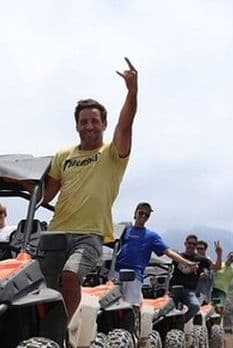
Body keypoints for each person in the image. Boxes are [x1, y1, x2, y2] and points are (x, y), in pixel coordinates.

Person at [39, 57, 139, 320]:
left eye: (95, 121)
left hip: (90, 235)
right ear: (77, 125)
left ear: (104, 125)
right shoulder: (63, 155)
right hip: (55, 233)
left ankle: (63, 330)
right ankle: (46, 335)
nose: (89, 126)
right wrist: (18, 183)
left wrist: (132, 91)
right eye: (84, 122)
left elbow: (125, 124)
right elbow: (46, 194)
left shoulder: (113, 153)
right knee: (41, 288)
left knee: (71, 275)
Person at [114, 202, 197, 305]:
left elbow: (168, 252)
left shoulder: (152, 236)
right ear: (135, 213)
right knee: (111, 304)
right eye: (141, 213)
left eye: (147, 215)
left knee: (131, 306)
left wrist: (187, 263)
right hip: (116, 273)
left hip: (134, 276)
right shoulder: (124, 230)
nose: (143, 216)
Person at [168, 234, 214, 322]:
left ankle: (180, 322)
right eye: (190, 243)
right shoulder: (178, 257)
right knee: (166, 309)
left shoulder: (201, 259)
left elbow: (216, 267)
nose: (191, 246)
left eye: (194, 244)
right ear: (185, 243)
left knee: (195, 307)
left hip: (189, 291)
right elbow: (166, 260)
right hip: (174, 289)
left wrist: (219, 254)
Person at [195, 239, 222, 303]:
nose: (199, 250)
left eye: (201, 248)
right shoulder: (193, 260)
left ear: (205, 249)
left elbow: (217, 267)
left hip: (205, 295)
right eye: (197, 248)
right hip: (194, 294)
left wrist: (219, 254)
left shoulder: (207, 261)